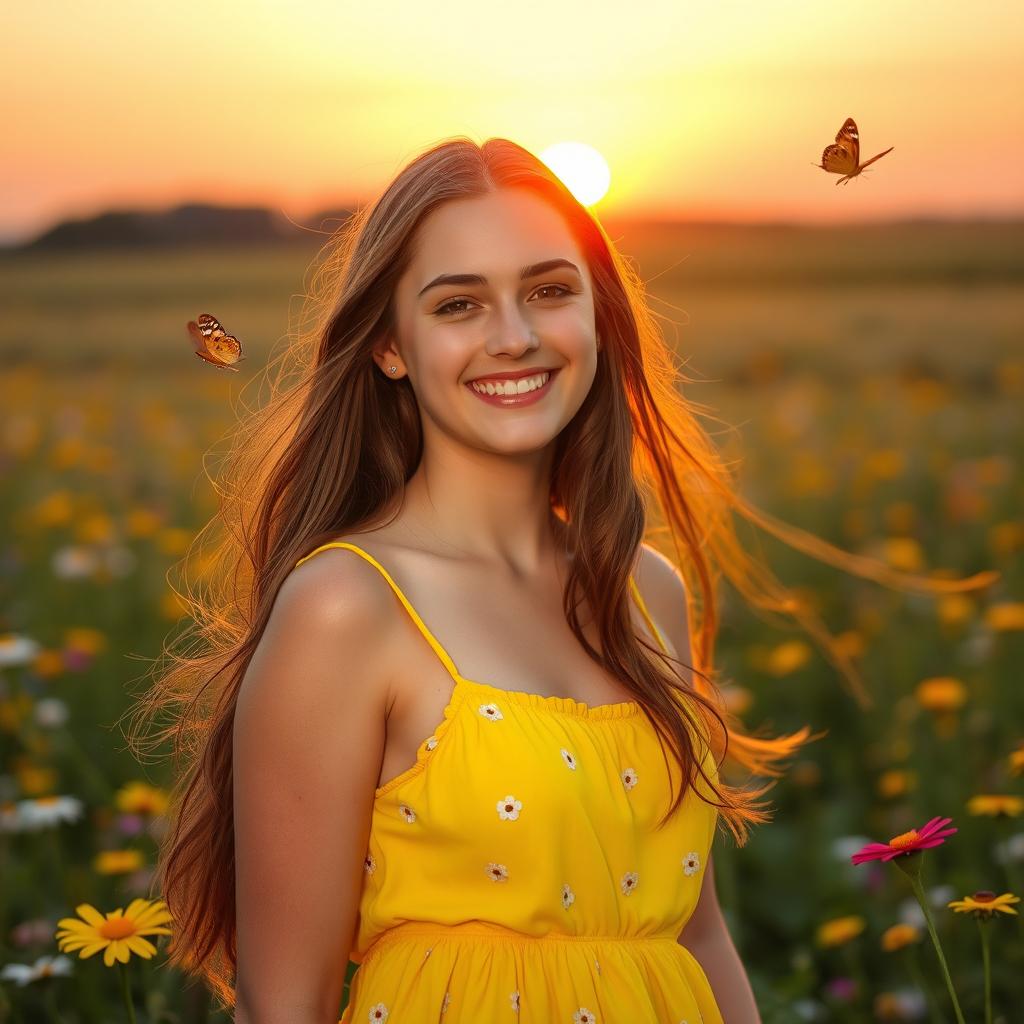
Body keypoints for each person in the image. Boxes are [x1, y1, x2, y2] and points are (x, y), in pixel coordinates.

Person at [124, 137, 993, 1024]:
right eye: (459, 304)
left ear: (597, 315)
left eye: (549, 290)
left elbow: (693, 933)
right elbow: (285, 1005)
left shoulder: (644, 590)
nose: (515, 337)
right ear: (389, 345)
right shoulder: (348, 607)